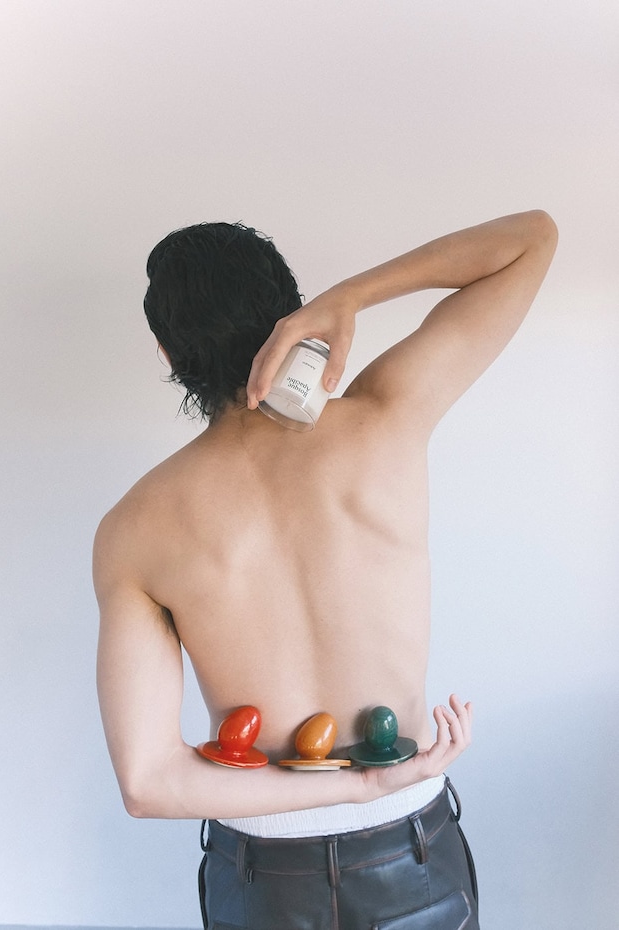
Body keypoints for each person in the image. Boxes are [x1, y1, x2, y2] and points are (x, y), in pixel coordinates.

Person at [94, 210, 557, 929]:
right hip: (413, 853)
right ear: (292, 316)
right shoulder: (385, 415)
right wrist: (352, 296)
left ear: (168, 352)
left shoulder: (133, 528)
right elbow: (531, 239)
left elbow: (149, 783)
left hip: (261, 877)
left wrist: (353, 790)